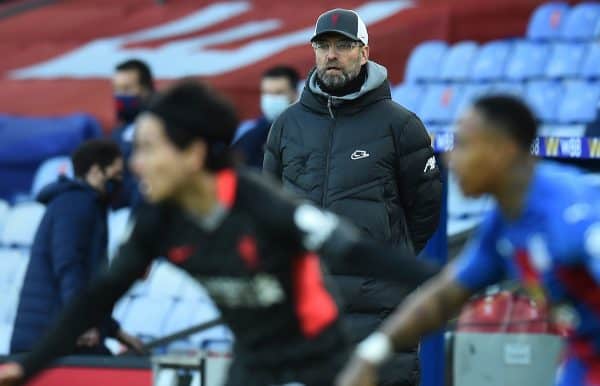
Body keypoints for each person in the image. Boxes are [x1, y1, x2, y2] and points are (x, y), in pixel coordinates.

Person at [0, 81, 439, 386]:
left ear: (192, 154)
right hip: (251, 358)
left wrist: (447, 283)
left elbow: (357, 252)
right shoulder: (157, 220)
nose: (136, 164)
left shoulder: (264, 206)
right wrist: (28, 367)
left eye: (149, 150)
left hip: (318, 360)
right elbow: (100, 294)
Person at [335, 95, 600, 386]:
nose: (450, 157)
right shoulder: (505, 221)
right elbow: (444, 297)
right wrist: (371, 354)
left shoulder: (571, 214)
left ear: (502, 150)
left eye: (463, 143)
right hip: (585, 359)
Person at [263, 8, 442, 385]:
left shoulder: (401, 125)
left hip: (380, 312)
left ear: (364, 52)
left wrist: (386, 258)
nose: (332, 55)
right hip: (306, 309)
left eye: (343, 45)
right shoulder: (286, 126)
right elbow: (271, 210)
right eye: (323, 46)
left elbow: (424, 211)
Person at [9, 139, 142, 356]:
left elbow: (89, 286)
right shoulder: (77, 204)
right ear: (96, 171)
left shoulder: (83, 205)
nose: (120, 182)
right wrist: (80, 323)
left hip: (56, 332)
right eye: (116, 175)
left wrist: (117, 332)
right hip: (49, 338)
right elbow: (69, 266)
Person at [232, 65, 300, 169]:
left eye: (278, 93)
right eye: (266, 93)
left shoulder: (311, 131)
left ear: (295, 94)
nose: (271, 99)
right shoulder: (248, 132)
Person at [111, 58, 155, 207]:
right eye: (117, 89)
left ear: (146, 90)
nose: (120, 95)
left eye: (127, 89)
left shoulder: (163, 126)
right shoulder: (118, 134)